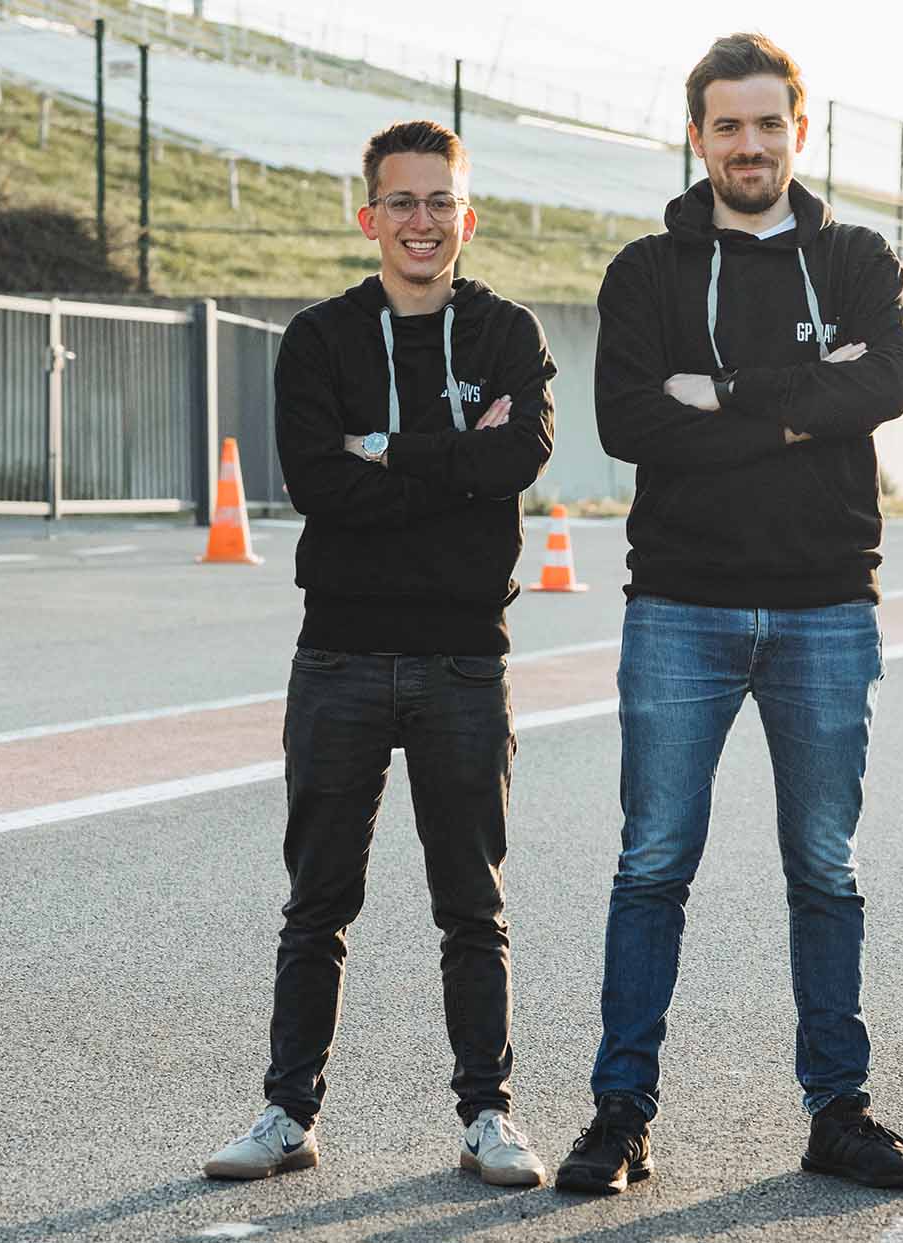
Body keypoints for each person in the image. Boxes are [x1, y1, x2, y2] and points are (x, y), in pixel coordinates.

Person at [549, 33, 903, 1195]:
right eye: (727, 125)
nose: (748, 145)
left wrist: (721, 396)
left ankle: (839, 1109)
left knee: (824, 866)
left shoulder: (858, 256)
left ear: (798, 132)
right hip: (680, 604)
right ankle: (621, 1113)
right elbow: (627, 423)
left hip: (826, 606)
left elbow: (882, 387)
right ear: (698, 134)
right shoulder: (646, 273)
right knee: (652, 863)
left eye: (768, 124)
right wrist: (803, 410)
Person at [203, 120, 558, 1187]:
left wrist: (392, 451)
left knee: (472, 905)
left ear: (466, 215)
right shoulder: (318, 339)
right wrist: (455, 468)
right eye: (399, 202)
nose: (420, 221)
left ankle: (489, 1114)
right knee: (317, 901)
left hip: (461, 662)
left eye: (438, 201)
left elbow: (521, 457)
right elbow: (318, 484)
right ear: (368, 217)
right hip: (341, 658)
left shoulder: (506, 332)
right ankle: (285, 1113)